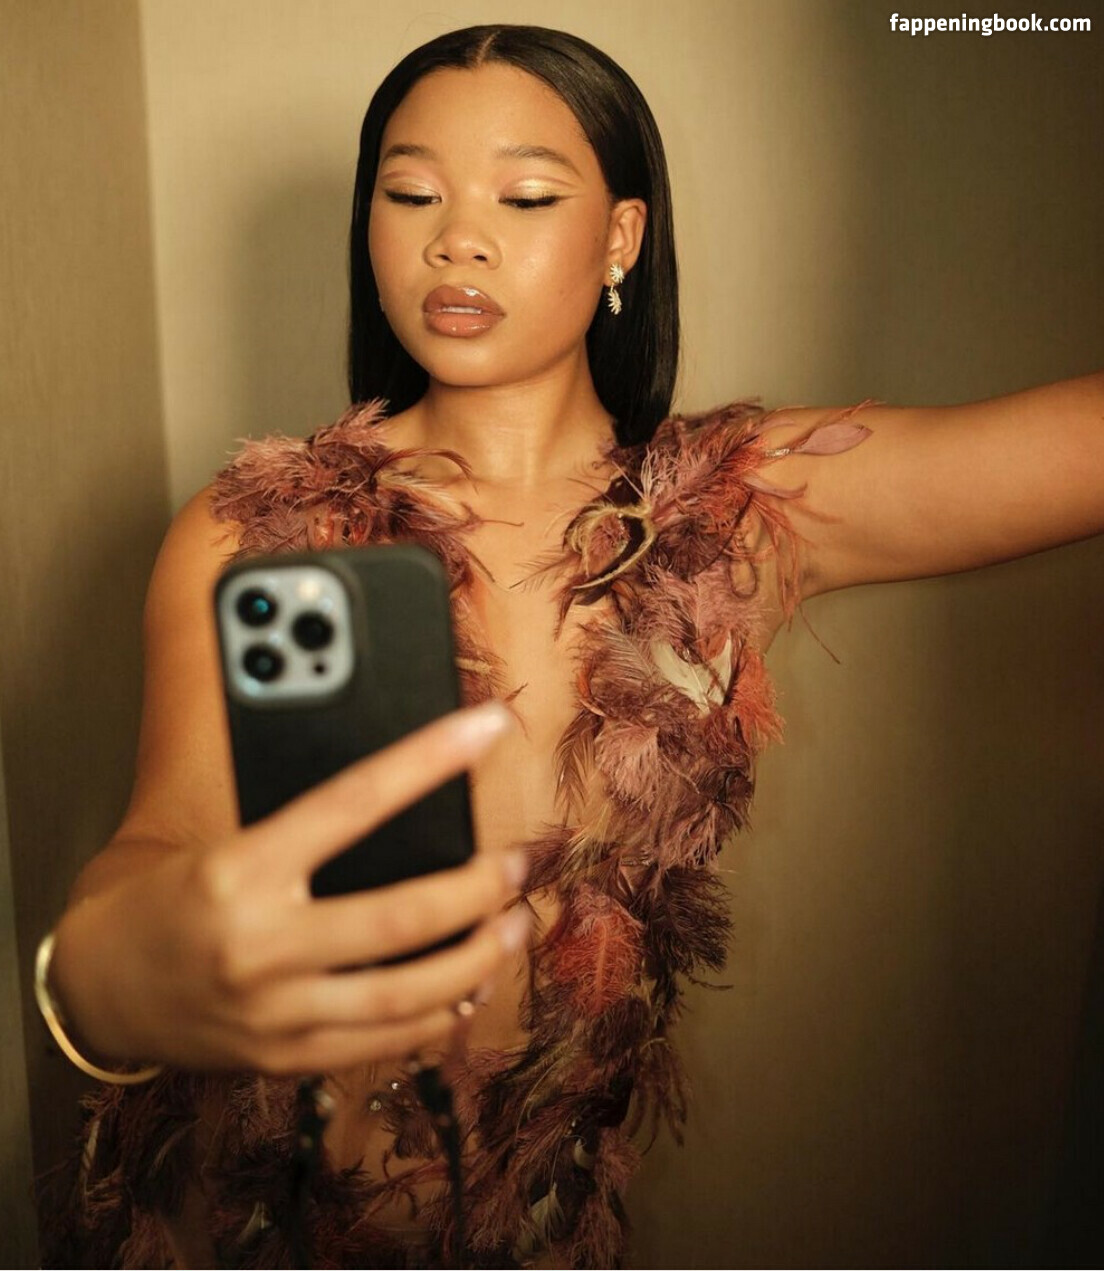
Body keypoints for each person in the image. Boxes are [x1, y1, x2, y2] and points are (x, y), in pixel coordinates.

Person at [40, 23, 1103, 1269]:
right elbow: (156, 843)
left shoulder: (733, 509)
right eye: (411, 194)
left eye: (527, 196)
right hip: (234, 1226)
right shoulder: (254, 530)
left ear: (620, 238)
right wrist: (111, 970)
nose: (458, 238)